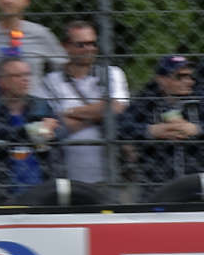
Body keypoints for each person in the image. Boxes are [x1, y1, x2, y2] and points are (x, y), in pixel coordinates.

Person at [40, 19, 131, 187]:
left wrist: (69, 113)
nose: (89, 49)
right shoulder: (51, 81)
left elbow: (116, 108)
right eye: (81, 45)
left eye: (92, 43)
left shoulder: (112, 73)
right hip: (66, 176)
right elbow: (54, 126)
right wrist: (99, 113)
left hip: (111, 175)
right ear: (65, 47)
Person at [0, 58, 62, 193]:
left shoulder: (41, 106)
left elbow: (58, 133)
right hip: (0, 186)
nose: (25, 79)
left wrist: (34, 133)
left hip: (41, 185)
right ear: (1, 81)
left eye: (27, 75)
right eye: (17, 76)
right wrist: (36, 131)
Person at [126, 55, 204, 195]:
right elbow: (121, 126)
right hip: (156, 185)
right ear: (161, 80)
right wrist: (151, 130)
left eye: (189, 76)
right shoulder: (147, 101)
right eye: (180, 77)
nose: (189, 82)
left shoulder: (198, 99)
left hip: (196, 184)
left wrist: (196, 129)